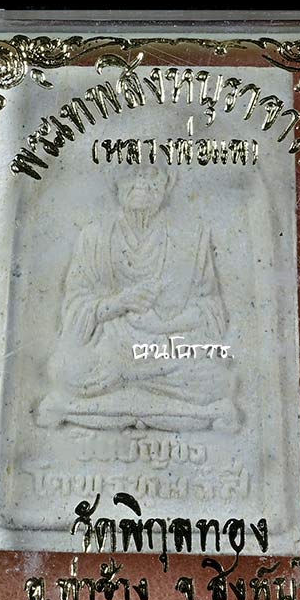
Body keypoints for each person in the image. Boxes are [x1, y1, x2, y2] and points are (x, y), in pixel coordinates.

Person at [37, 163, 239, 432]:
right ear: (115, 181)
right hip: (108, 353)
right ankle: (154, 401)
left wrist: (164, 324)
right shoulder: (94, 237)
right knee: (63, 370)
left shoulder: (192, 236)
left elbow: (210, 308)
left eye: (152, 173)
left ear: (168, 182)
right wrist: (118, 303)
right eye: (131, 172)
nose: (141, 181)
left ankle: (117, 397)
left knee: (217, 379)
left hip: (168, 352)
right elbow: (75, 307)